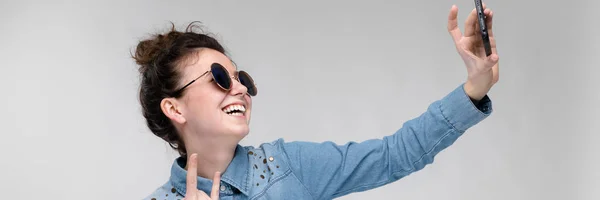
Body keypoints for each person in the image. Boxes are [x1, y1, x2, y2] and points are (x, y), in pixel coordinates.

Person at [135, 3, 499, 200]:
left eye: (240, 77)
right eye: (219, 78)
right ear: (174, 108)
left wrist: (474, 87)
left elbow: (394, 155)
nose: (241, 89)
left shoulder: (289, 166)